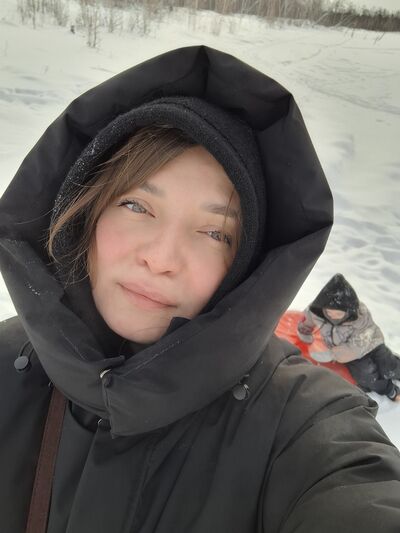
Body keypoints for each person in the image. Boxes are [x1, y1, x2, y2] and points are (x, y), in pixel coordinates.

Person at [0, 46, 399, 533]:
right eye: (136, 206)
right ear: (86, 210)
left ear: (244, 262)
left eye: (214, 232)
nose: (161, 258)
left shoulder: (299, 422)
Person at [297, 273, 400, 401]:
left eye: (338, 314)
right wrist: (304, 331)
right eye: (329, 312)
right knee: (366, 374)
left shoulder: (360, 317)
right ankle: (389, 389)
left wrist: (333, 354)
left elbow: (356, 347)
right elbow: (307, 319)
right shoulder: (318, 312)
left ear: (348, 311)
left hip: (371, 343)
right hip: (349, 353)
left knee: (388, 365)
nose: (332, 316)